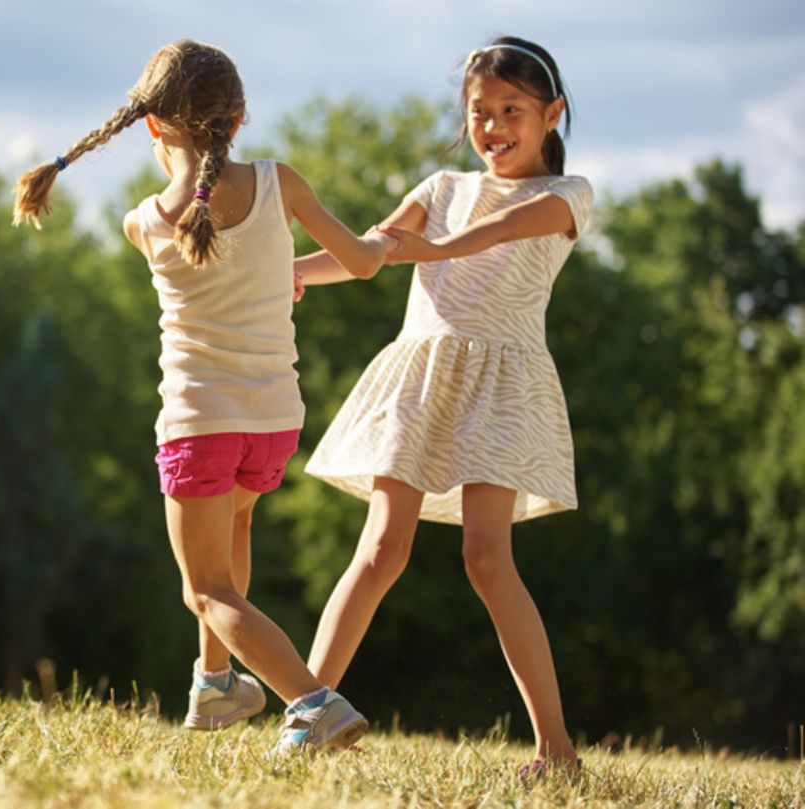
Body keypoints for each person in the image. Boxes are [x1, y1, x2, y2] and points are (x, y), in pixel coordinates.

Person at [14, 39, 394, 754]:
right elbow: (366, 263)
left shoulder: (143, 224)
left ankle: (314, 702)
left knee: (206, 590)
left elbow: (209, 254)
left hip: (200, 427)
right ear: (240, 117)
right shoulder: (284, 185)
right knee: (235, 535)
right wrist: (379, 240)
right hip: (275, 423)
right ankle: (215, 686)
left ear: (150, 126)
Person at [294, 36, 591, 777]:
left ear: (552, 113)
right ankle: (305, 716)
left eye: (511, 110)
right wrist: (288, 272)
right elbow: (369, 252)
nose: (492, 127)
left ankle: (556, 751)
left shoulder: (566, 196)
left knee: (488, 558)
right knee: (381, 546)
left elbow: (486, 237)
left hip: (501, 383)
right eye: (480, 112)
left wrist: (418, 250)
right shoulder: (440, 186)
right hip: (423, 374)